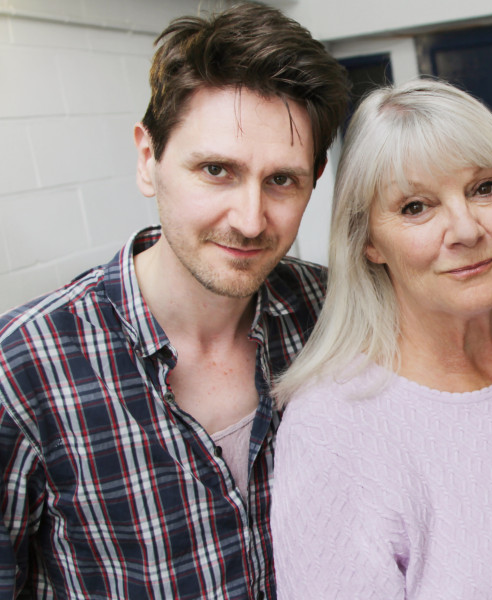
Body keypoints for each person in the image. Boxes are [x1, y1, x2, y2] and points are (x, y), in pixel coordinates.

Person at [0, 3, 349, 598]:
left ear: (314, 181)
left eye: (282, 180)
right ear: (148, 159)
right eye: (216, 170)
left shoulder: (334, 313)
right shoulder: (25, 366)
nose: (249, 219)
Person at [270, 78, 492, 599]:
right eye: (416, 207)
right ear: (369, 242)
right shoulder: (332, 425)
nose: (465, 230)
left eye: (484, 189)